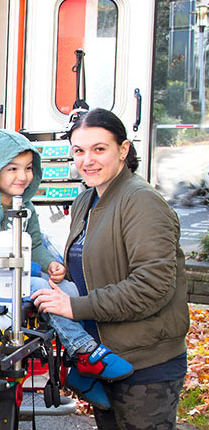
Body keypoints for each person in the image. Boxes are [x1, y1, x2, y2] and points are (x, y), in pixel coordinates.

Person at [32, 108, 190, 429]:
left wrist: (75, 307)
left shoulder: (141, 202)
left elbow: (151, 287)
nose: (87, 160)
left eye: (99, 149)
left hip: (146, 366)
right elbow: (94, 270)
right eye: (79, 151)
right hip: (106, 362)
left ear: (123, 150)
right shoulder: (85, 201)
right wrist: (62, 277)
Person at [0, 129, 134, 397]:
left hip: (20, 278)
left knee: (69, 291)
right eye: (12, 168)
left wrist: (50, 264)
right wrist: (12, 267)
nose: (23, 176)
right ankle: (85, 352)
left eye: (27, 168)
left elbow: (35, 243)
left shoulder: (26, 206)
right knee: (39, 286)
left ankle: (80, 370)